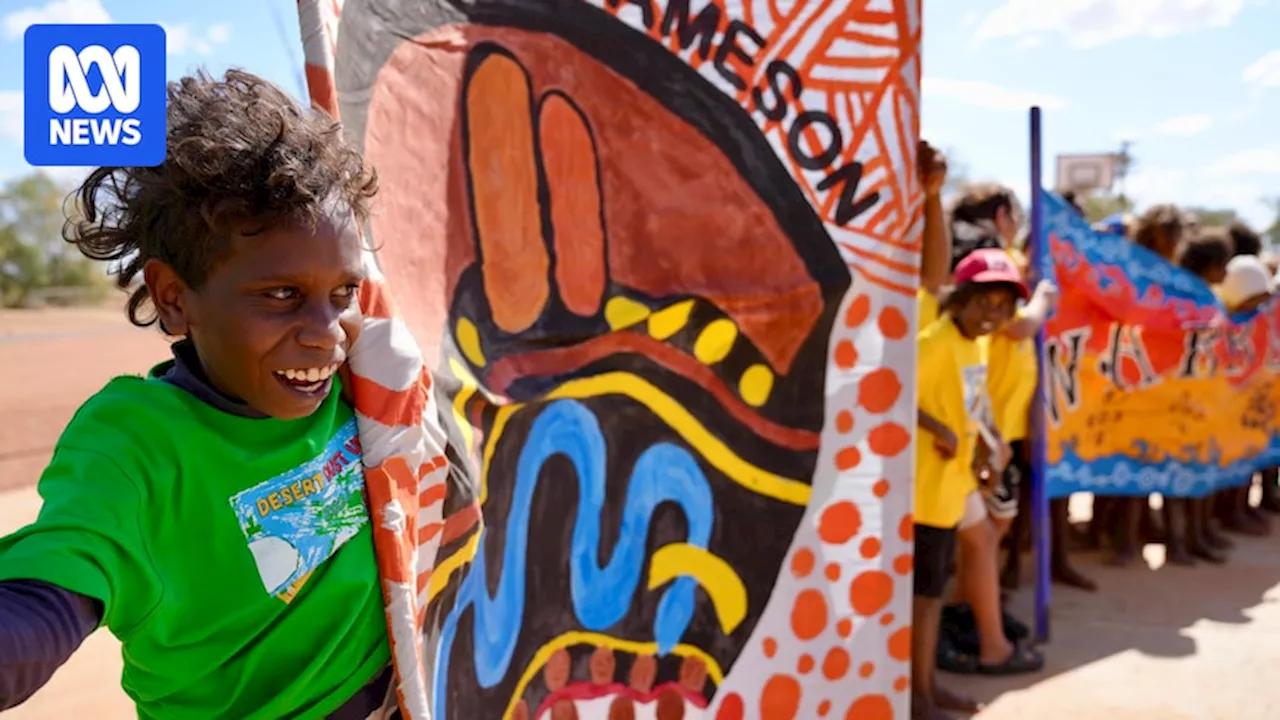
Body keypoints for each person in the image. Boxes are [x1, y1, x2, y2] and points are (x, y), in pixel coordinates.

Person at [0, 70, 399, 718]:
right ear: (174, 298)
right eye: (280, 295)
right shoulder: (138, 442)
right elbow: (57, 582)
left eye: (342, 295)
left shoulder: (366, 378)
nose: (328, 336)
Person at [914, 244, 1033, 717]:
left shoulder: (976, 345)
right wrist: (937, 428)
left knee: (934, 593)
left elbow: (974, 402)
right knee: (923, 600)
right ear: (958, 297)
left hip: (952, 487)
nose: (993, 314)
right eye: (984, 301)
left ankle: (927, 686)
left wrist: (986, 447)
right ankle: (917, 698)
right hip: (923, 490)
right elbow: (886, 391)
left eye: (1004, 306)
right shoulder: (932, 343)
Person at [1171, 228, 1235, 564]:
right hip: (1180, 400)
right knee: (1176, 476)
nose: (1226, 273)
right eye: (1222, 265)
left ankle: (1198, 534)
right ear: (1209, 265)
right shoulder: (1180, 297)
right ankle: (1177, 541)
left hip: (1206, 400)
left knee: (1201, 473)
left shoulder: (1212, 299)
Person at [1215, 253, 1276, 538]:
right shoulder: (1221, 324)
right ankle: (1226, 513)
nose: (1260, 308)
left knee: (1247, 456)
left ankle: (1238, 509)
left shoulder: (1259, 322)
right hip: (1223, 406)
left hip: (1250, 405)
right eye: (1254, 301)